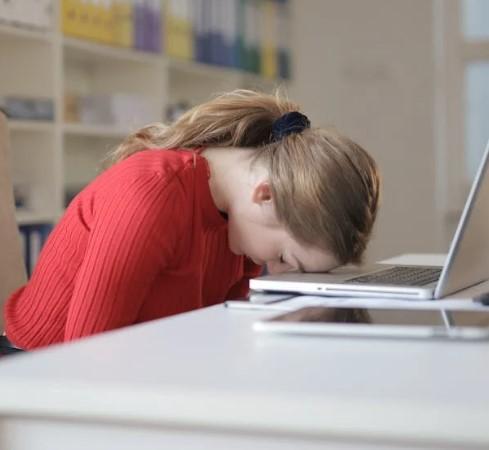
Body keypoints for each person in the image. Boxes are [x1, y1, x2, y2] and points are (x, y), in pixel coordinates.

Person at [3, 89, 380, 350]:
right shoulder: (152, 194)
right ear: (265, 195)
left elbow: (216, 332)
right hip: (39, 371)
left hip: (136, 365)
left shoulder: (241, 223)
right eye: (285, 259)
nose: (277, 273)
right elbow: (87, 357)